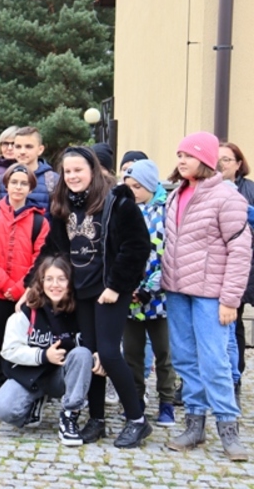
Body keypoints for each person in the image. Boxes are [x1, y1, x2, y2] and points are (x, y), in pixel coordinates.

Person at [24, 146, 152, 448]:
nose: (72, 176)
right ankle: (97, 419)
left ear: (92, 170)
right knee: (89, 353)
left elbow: (136, 247)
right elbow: (53, 248)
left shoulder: (117, 201)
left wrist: (116, 286)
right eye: (67, 171)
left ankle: (137, 419)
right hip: (81, 291)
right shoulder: (64, 204)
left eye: (78, 170)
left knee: (108, 353)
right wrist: (31, 284)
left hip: (110, 291)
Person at [162, 132, 251, 461]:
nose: (182, 160)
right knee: (185, 360)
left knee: (215, 362)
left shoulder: (227, 198)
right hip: (177, 291)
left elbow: (240, 251)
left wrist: (230, 299)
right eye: (179, 154)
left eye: (189, 155)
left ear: (206, 160)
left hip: (211, 296)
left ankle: (229, 429)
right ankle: (194, 426)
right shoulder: (176, 194)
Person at [0, 256, 92, 446]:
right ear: (41, 281)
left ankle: (69, 415)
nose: (55, 285)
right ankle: (35, 401)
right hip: (30, 375)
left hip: (60, 376)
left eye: (61, 279)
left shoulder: (79, 312)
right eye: (49, 279)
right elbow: (9, 350)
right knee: (3, 409)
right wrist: (44, 355)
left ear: (70, 283)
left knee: (82, 354)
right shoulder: (26, 311)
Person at [0, 164, 48, 412]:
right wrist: (4, 283)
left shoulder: (39, 220)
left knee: (23, 340)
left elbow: (40, 258)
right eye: (14, 182)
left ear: (30, 188)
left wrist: (20, 288)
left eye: (23, 183)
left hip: (25, 293)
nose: (18, 187)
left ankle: (21, 386)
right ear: (6, 185)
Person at [121, 160, 177, 427]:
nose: (133, 191)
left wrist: (148, 289)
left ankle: (167, 402)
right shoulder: (123, 210)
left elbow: (169, 257)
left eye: (138, 186)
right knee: (132, 354)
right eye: (128, 186)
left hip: (160, 298)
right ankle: (136, 401)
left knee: (164, 354)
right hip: (129, 296)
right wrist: (127, 286)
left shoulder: (167, 213)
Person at [219, 141, 254, 403]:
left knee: (233, 323)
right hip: (211, 269)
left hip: (242, 266)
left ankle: (235, 376)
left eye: (226, 159)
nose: (220, 164)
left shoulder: (249, 191)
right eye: (216, 159)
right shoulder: (204, 188)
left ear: (239, 164)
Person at [0, 127, 58, 210]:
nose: (22, 152)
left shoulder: (53, 181)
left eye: (28, 147)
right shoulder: (0, 182)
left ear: (40, 150)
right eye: (18, 147)